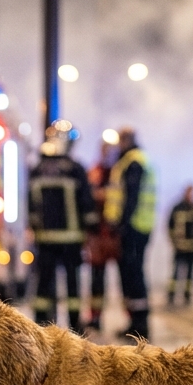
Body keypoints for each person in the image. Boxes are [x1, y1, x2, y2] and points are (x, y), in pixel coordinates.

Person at [27, 120, 95, 333]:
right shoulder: (76, 170)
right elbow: (87, 205)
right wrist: (90, 229)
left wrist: (34, 228)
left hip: (45, 238)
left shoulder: (37, 169)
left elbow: (31, 205)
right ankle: (75, 326)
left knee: (44, 283)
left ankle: (41, 324)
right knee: (73, 285)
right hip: (71, 239)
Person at [103, 127, 156, 340]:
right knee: (133, 275)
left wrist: (122, 225)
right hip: (138, 227)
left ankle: (139, 325)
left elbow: (130, 197)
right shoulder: (135, 159)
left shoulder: (133, 162)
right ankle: (135, 322)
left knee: (134, 276)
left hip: (133, 228)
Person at [84, 140, 119, 332]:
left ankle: (131, 318)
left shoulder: (119, 171)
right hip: (98, 234)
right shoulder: (95, 171)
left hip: (115, 234)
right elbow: (88, 196)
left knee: (126, 278)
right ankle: (95, 317)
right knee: (96, 279)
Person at [166, 185, 193, 306]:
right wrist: (173, 241)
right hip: (179, 246)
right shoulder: (177, 208)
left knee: (190, 273)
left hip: (192, 246)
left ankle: (187, 295)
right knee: (176, 272)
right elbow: (170, 225)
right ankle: (171, 295)